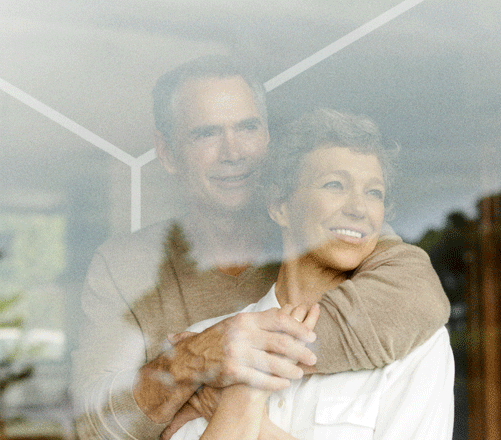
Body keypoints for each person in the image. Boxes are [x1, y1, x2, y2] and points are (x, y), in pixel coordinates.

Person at [72, 55, 450, 439]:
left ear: (268, 138)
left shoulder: (334, 233)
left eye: (248, 128)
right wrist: (189, 363)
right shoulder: (131, 270)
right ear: (166, 152)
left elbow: (420, 298)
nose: (233, 151)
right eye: (206, 134)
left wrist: (245, 370)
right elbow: (92, 423)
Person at [169, 108, 454, 440]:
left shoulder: (416, 348)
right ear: (280, 207)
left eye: (373, 192)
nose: (359, 208)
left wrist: (241, 406)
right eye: (335, 185)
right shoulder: (205, 344)